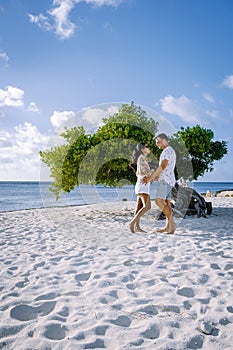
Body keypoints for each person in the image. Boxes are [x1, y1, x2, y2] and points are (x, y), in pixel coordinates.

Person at [143, 133, 177, 234]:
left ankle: (172, 223)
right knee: (167, 203)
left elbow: (162, 167)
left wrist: (150, 178)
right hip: (169, 179)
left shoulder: (167, 151)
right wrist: (156, 177)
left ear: (164, 140)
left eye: (158, 142)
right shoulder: (169, 151)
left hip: (166, 181)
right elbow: (167, 169)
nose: (157, 144)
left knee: (158, 201)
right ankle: (168, 227)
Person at [129, 143, 154, 233]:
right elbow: (145, 173)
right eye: (147, 147)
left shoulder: (141, 158)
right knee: (147, 206)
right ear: (142, 149)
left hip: (141, 184)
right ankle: (132, 223)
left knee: (139, 207)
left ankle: (137, 227)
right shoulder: (142, 158)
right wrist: (153, 171)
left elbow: (139, 173)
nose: (148, 148)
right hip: (143, 185)